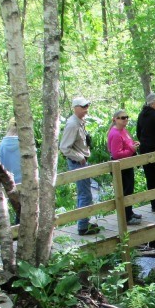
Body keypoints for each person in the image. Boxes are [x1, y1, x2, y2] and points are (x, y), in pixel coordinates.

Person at [59, 97, 100, 236]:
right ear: (75, 108)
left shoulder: (80, 122)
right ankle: (83, 226)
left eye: (87, 106)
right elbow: (64, 147)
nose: (85, 109)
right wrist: (80, 157)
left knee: (85, 193)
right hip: (78, 163)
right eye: (83, 107)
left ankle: (84, 223)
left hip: (82, 162)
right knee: (85, 194)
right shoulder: (72, 124)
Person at [108, 110, 143, 225]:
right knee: (125, 191)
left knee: (129, 189)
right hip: (120, 166)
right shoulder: (115, 133)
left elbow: (128, 143)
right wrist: (132, 149)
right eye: (122, 118)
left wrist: (134, 144)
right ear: (115, 119)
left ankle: (129, 212)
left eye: (127, 117)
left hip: (127, 164)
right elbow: (116, 154)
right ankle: (126, 217)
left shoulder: (123, 130)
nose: (125, 120)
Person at [0, 118, 21, 225]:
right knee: (28, 211)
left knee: (19, 210)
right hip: (26, 181)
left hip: (10, 182)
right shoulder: (24, 143)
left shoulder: (2, 144)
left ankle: (18, 235)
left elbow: (1, 165)